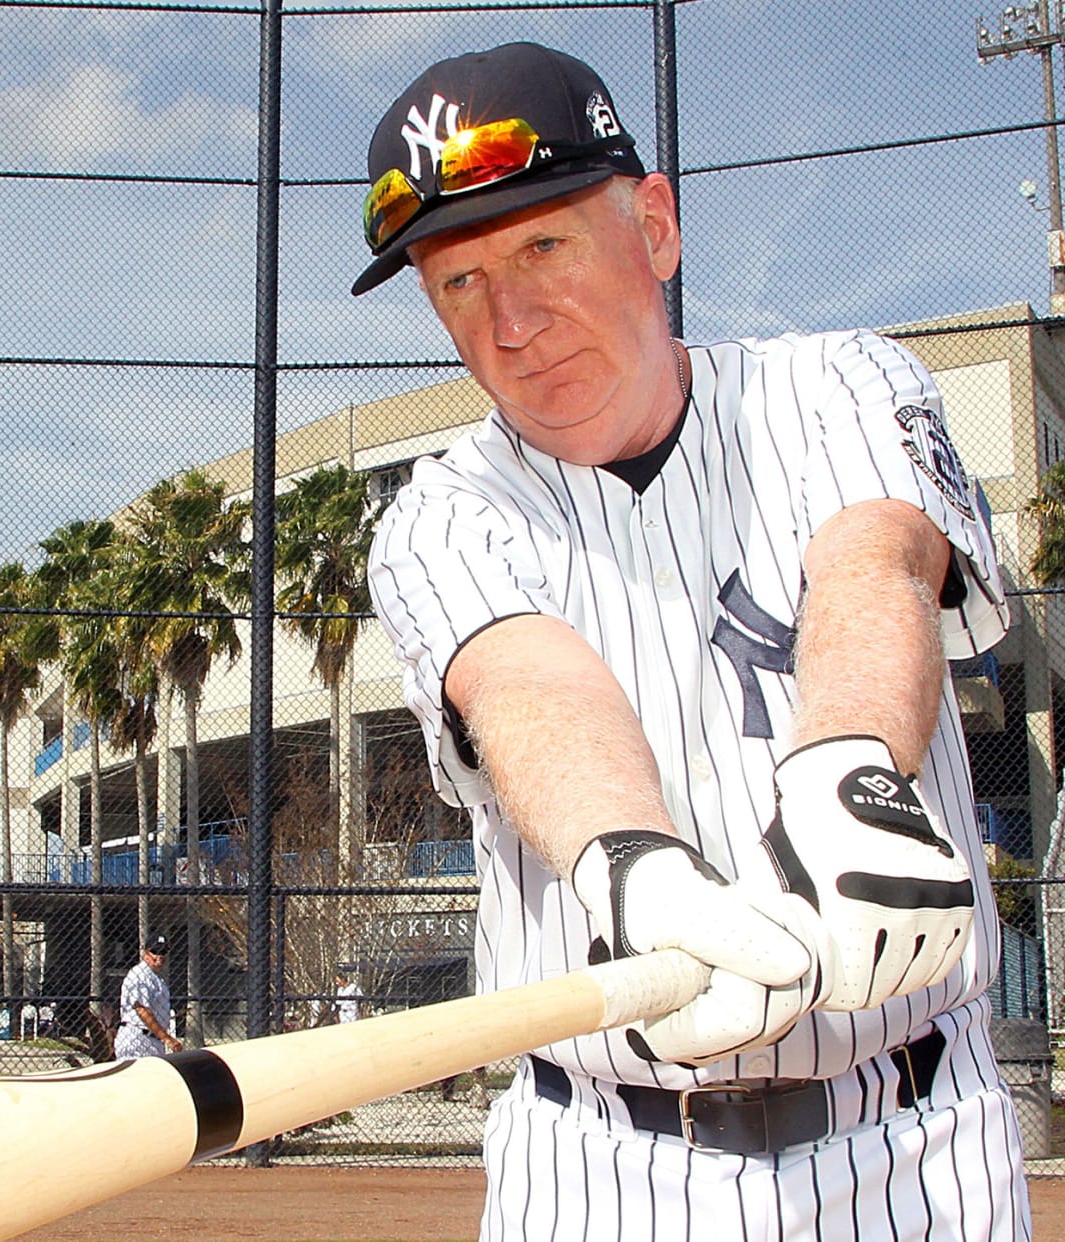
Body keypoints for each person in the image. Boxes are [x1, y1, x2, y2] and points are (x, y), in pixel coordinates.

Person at [357, 43, 1026, 1241]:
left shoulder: (832, 386)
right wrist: (636, 866)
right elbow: (521, 680)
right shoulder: (438, 514)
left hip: (916, 1141)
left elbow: (875, 559)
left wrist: (849, 772)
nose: (508, 320)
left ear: (654, 227)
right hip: (599, 1163)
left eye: (542, 247)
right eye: (456, 283)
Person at [116, 932, 182, 1059]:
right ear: (145, 953)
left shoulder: (156, 979)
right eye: (155, 951)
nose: (160, 956)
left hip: (153, 1041)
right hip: (136, 1038)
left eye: (163, 951)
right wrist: (167, 1038)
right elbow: (142, 1010)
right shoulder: (139, 974)